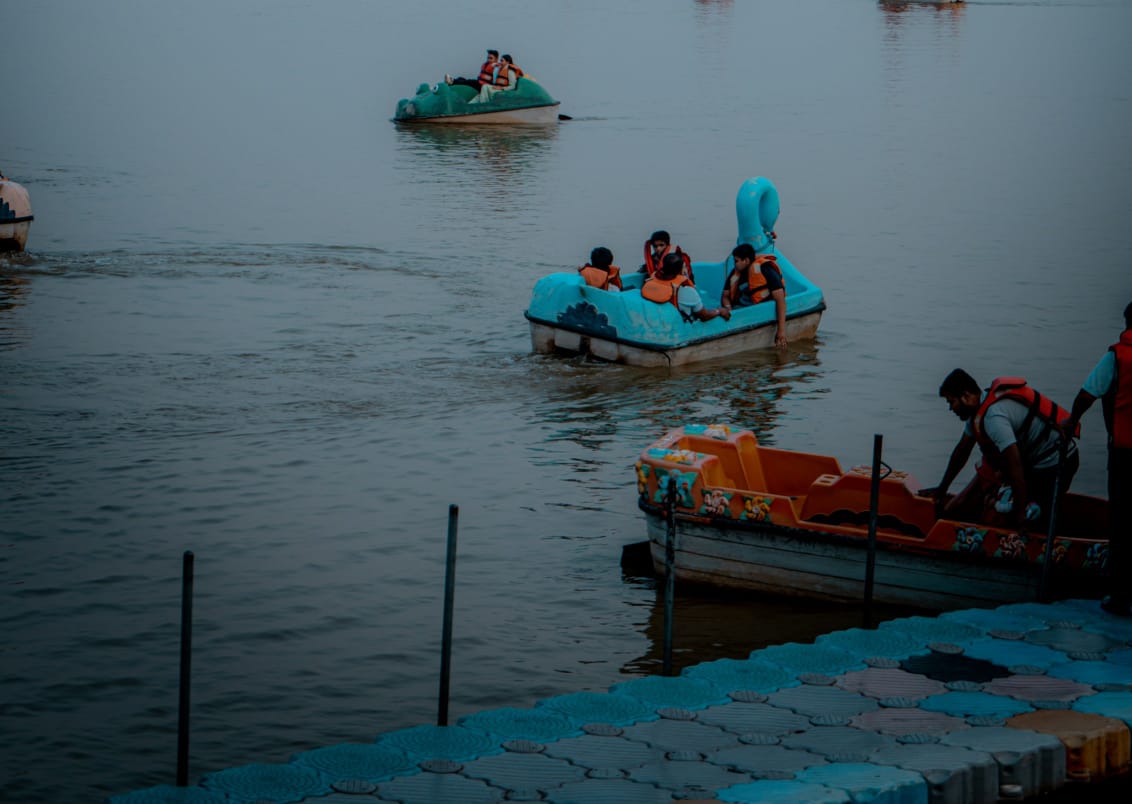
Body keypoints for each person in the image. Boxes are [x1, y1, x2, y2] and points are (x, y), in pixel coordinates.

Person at [932, 369, 1079, 532]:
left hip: (1056, 464)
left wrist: (1020, 514)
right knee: (986, 501)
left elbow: (1015, 465)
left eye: (951, 402)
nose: (951, 408)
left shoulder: (993, 418)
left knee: (1026, 516)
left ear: (966, 396)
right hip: (1032, 464)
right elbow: (961, 452)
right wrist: (941, 490)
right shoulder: (976, 415)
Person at [1061, 301, 1132, 616]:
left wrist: (1070, 421)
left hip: (1125, 451)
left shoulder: (1117, 356)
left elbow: (1087, 394)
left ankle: (1119, 597)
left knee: (1121, 521)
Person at [721, 243, 788, 347]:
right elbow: (725, 295)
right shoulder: (735, 273)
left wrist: (781, 331)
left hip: (760, 310)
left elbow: (780, 299)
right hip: (740, 309)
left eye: (736, 261)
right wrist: (728, 307)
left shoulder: (765, 269)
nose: (734, 264)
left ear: (746, 260)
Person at [641, 253, 730, 323]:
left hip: (660, 320)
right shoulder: (687, 291)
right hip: (681, 327)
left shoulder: (652, 281)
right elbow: (704, 316)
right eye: (684, 267)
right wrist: (719, 311)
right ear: (681, 271)